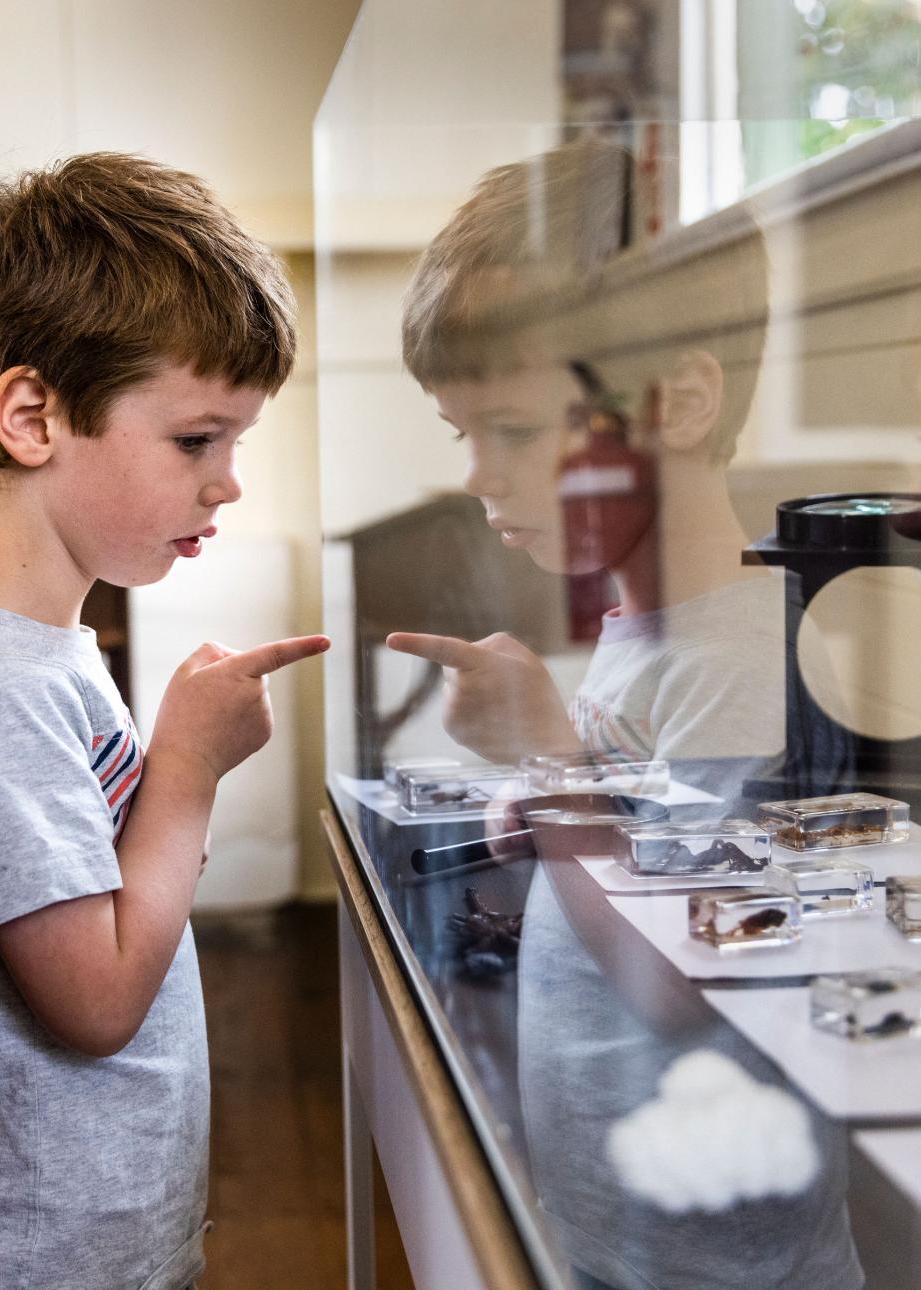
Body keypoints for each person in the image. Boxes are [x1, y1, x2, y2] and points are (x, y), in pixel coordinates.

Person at [388, 139, 863, 1289]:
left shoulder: (748, 659)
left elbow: (681, 973)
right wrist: (541, 801)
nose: (477, 475)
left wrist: (550, 763)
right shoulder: (643, 637)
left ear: (678, 402)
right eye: (465, 435)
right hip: (614, 1231)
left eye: (509, 429)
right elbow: (637, 843)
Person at [0, 153, 329, 1290]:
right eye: (193, 440)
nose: (227, 485)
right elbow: (98, 1000)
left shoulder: (51, 650)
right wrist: (189, 768)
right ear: (30, 416)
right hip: (47, 1252)